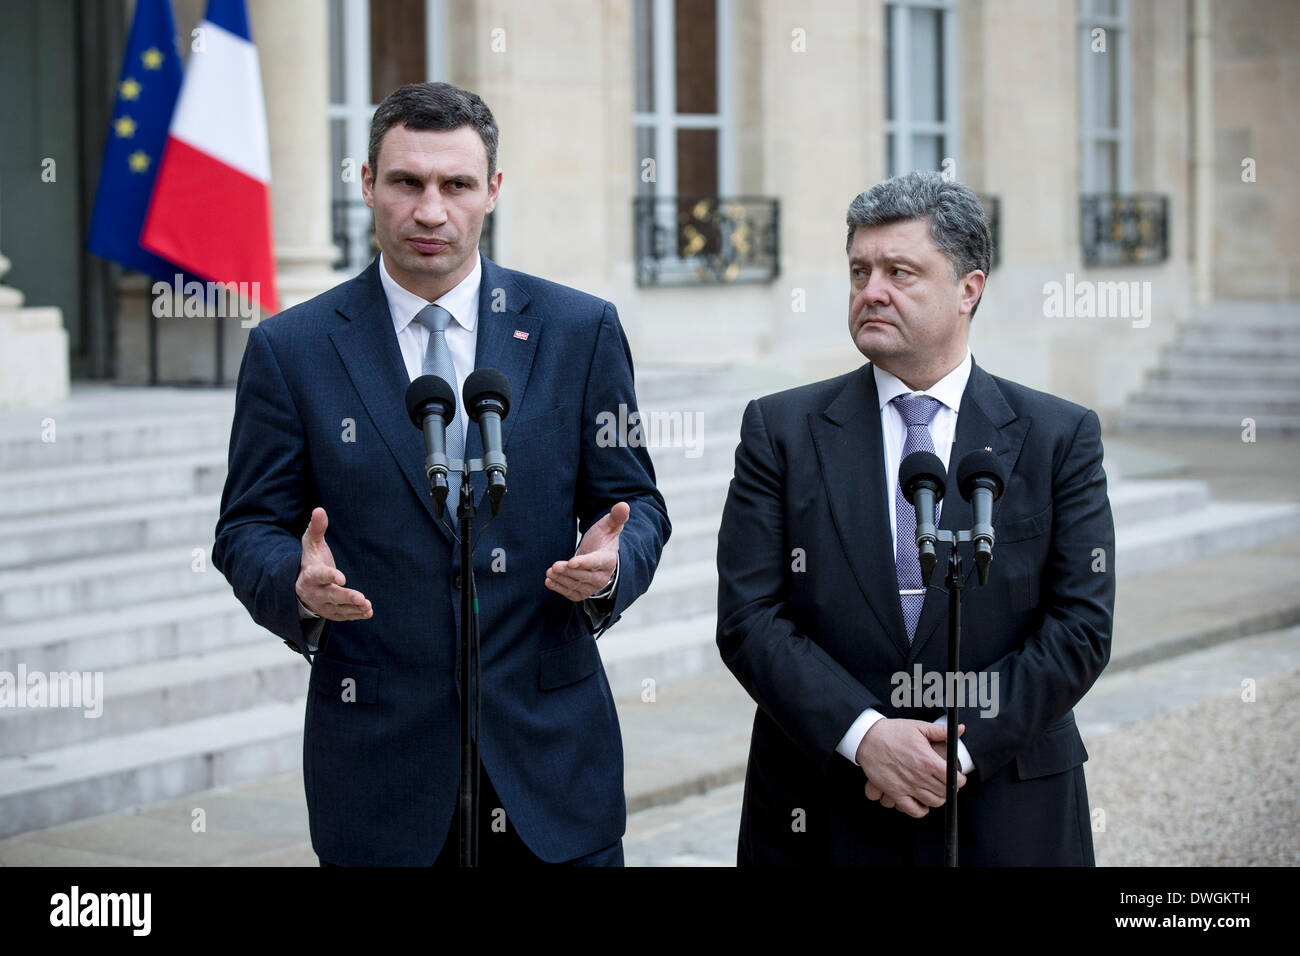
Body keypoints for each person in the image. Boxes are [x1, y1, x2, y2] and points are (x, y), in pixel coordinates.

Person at [213, 82, 670, 866]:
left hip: (552, 771)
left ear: (492, 190)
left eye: (456, 185)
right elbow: (247, 526)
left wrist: (611, 567)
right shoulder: (291, 350)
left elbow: (636, 505)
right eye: (406, 183)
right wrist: (295, 580)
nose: (431, 211)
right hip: (380, 776)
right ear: (365, 183)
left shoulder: (578, 331)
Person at [715, 170, 1114, 866]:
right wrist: (865, 736)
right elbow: (749, 618)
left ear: (969, 290)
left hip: (1008, 808)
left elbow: (1080, 626)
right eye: (860, 271)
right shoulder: (779, 430)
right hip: (826, 808)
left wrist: (959, 750)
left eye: (901, 271)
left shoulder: (1059, 437)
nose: (872, 290)